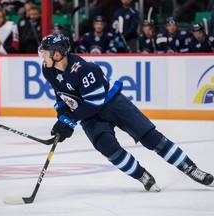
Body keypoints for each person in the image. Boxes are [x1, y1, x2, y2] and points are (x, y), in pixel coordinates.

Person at [38, 33, 214, 192]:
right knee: (108, 148)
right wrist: (62, 116)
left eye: (45, 52)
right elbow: (60, 95)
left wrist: (70, 119)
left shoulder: (84, 69)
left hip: (113, 104)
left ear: (58, 54)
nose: (42, 56)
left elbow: (94, 102)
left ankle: (192, 169)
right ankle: (142, 176)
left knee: (152, 138)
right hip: (89, 116)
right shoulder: (48, 70)